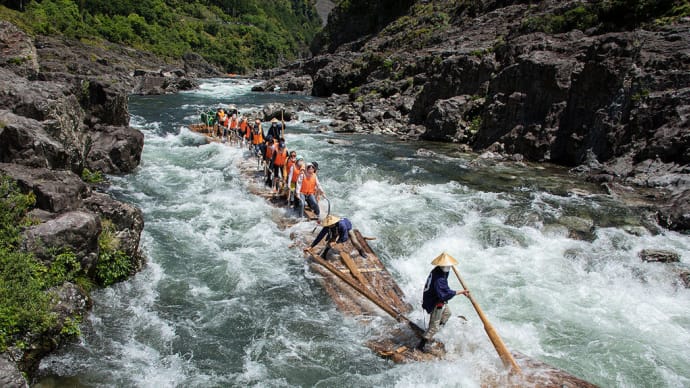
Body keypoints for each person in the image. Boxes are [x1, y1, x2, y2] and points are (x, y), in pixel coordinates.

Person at [417, 252, 470, 353]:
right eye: (446, 266)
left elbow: (444, 289)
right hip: (435, 302)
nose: (448, 267)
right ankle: (421, 345)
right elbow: (444, 294)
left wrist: (461, 292)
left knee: (447, 314)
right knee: (434, 326)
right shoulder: (439, 278)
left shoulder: (439, 271)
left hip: (437, 299)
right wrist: (461, 291)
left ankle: (434, 330)